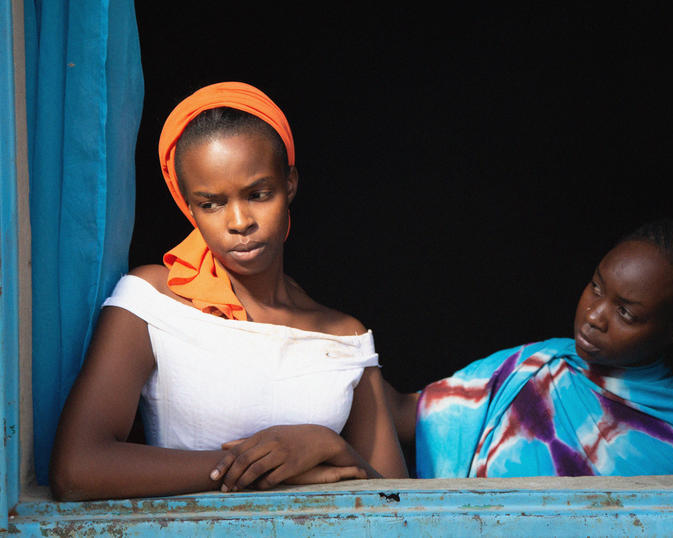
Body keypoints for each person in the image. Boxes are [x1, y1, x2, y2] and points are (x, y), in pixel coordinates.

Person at [50, 82, 407, 501]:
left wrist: (329, 445)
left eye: (258, 194)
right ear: (187, 204)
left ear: (289, 183)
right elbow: (78, 469)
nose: (239, 221)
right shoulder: (151, 302)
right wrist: (264, 471)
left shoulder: (345, 337)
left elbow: (399, 503)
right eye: (211, 203)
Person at [385, 219, 673, 478]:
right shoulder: (537, 366)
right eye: (596, 287)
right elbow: (406, 414)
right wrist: (347, 337)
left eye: (625, 313)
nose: (593, 316)